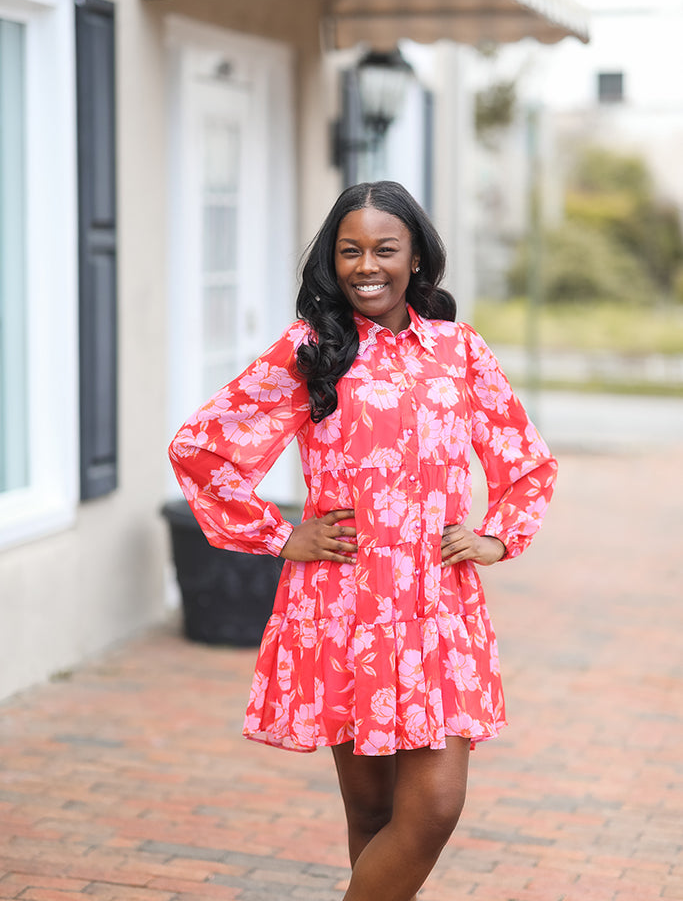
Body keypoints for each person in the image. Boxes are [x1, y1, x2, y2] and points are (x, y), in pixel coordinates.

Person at [169, 180, 557, 901]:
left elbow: (524, 460)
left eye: (385, 249)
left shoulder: (457, 350)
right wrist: (281, 536)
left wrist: (498, 538)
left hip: (438, 605)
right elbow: (201, 448)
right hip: (343, 603)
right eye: (350, 251)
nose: (366, 265)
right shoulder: (311, 349)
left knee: (433, 809)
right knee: (372, 811)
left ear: (415, 259)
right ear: (331, 260)